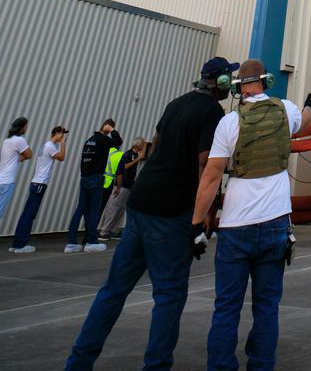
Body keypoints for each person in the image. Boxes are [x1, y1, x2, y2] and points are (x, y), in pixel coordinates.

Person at [64, 56, 239, 371]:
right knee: (169, 295)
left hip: (142, 204)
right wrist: (205, 216)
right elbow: (205, 164)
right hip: (172, 212)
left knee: (114, 289)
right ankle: (156, 366)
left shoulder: (175, 103)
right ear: (221, 83)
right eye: (229, 79)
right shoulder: (213, 112)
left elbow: (153, 147)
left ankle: (78, 363)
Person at [192, 59, 311, 371]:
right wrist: (310, 108)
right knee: (266, 307)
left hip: (236, 226)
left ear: (236, 87)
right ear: (266, 81)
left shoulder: (229, 123)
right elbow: (303, 122)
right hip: (276, 223)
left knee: (226, 307)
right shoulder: (286, 109)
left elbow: (210, 177)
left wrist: (196, 224)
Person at [65, 118, 123, 254]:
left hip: (84, 177)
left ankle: (71, 242)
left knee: (80, 208)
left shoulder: (89, 140)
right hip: (96, 178)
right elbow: (118, 142)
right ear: (107, 128)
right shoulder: (103, 140)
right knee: (94, 209)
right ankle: (91, 241)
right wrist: (112, 130)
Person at [9, 125, 67, 253]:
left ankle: (16, 243)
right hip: (40, 184)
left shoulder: (45, 145)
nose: (63, 137)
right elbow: (62, 157)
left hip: (35, 182)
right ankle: (21, 245)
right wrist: (63, 144)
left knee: (26, 213)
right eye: (62, 134)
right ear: (57, 133)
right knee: (30, 214)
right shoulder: (51, 146)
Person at [98, 137, 146, 240]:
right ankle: (104, 231)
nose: (144, 147)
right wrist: (138, 159)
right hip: (122, 185)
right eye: (143, 144)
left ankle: (114, 230)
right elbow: (123, 167)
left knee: (121, 208)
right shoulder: (128, 154)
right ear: (138, 145)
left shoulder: (135, 155)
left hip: (129, 185)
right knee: (114, 207)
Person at [0, 117, 32, 226]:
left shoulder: (6, 141)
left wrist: (19, 157)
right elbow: (29, 154)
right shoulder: (20, 140)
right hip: (7, 181)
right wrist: (21, 157)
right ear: (22, 127)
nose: (26, 128)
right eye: (26, 126)